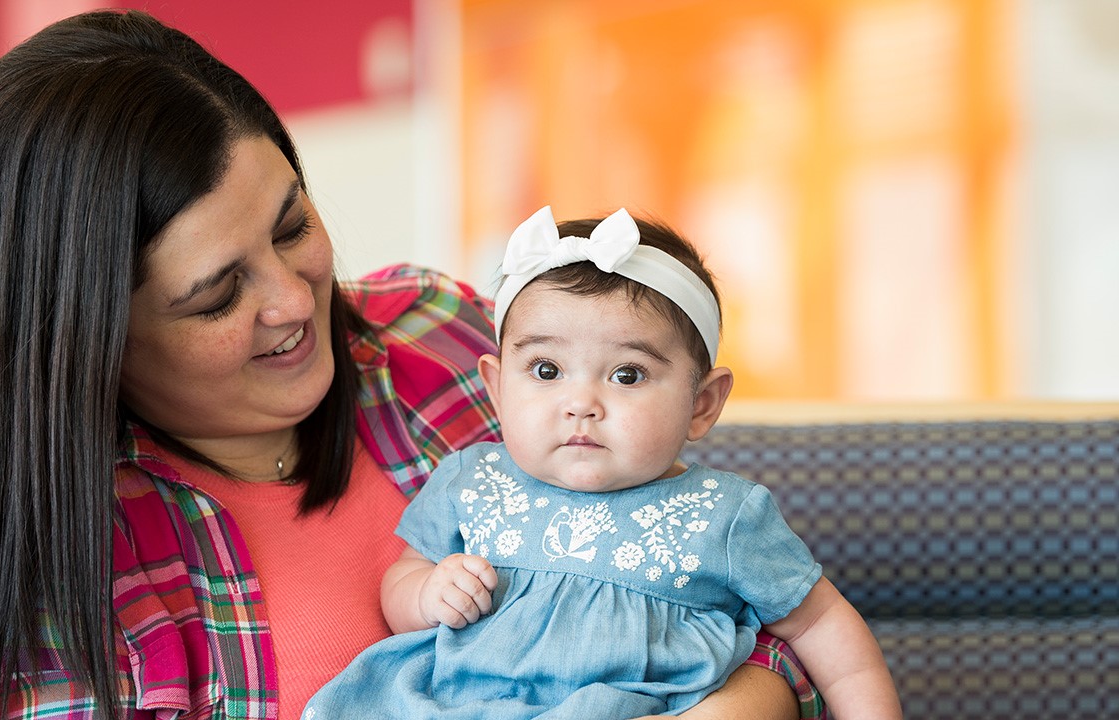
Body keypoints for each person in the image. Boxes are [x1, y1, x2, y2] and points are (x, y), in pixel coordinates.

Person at [0, 10, 826, 720]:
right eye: (215, 296)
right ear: (79, 340)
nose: (293, 302)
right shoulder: (35, 551)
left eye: (294, 227)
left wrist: (747, 702)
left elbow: (738, 599)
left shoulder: (439, 338)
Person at [304, 206, 901, 719]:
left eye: (627, 374)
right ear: (495, 386)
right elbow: (403, 580)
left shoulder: (725, 515)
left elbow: (825, 629)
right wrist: (427, 594)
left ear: (702, 404)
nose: (581, 404)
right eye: (545, 371)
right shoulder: (470, 479)